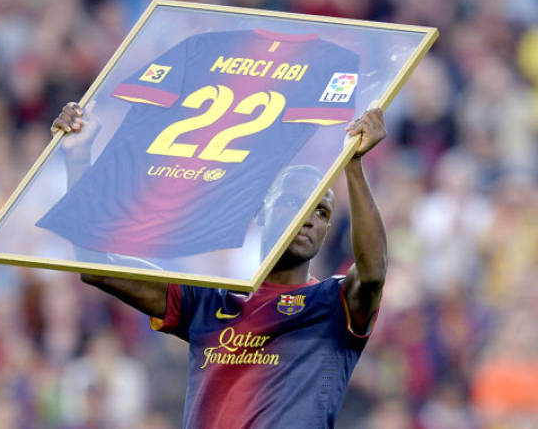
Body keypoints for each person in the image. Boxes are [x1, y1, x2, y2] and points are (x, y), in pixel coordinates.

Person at [51, 101, 387, 428]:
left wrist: (353, 165)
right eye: (293, 203)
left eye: (322, 213)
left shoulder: (332, 304)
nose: (309, 219)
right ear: (260, 213)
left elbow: (372, 273)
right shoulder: (210, 301)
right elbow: (95, 267)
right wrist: (78, 158)